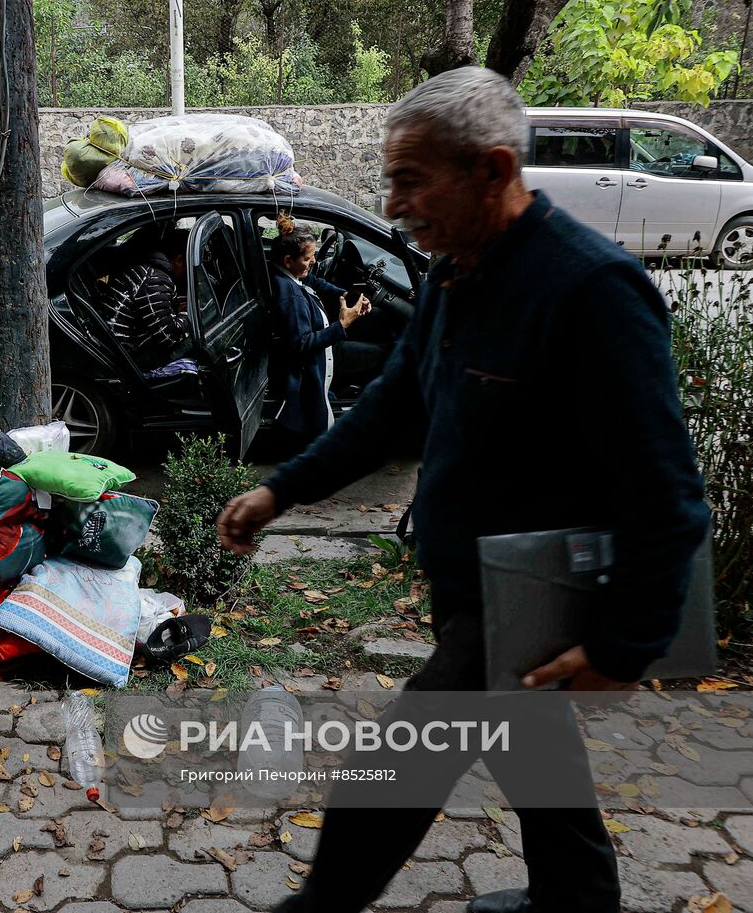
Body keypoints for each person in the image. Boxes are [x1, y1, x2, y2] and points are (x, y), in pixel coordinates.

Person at [217, 67, 709, 913]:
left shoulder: (592, 290)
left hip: (525, 598)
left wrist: (627, 645)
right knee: (534, 754)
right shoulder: (458, 274)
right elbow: (391, 405)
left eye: (412, 180)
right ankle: (575, 900)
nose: (396, 204)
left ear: (492, 171)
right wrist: (283, 491)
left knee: (396, 767)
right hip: (469, 586)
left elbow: (667, 491)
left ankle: (322, 905)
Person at [268, 214, 372, 446]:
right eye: (308, 258)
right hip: (315, 368)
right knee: (385, 353)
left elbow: (314, 282)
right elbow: (301, 344)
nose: (313, 261)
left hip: (325, 356)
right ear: (288, 260)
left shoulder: (288, 275)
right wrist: (343, 324)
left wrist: (347, 296)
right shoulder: (290, 296)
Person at [94, 228, 191, 372]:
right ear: (179, 260)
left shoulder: (144, 268)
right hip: (127, 356)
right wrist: (186, 314)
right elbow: (168, 338)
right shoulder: (156, 280)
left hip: (115, 344)